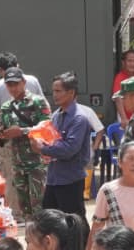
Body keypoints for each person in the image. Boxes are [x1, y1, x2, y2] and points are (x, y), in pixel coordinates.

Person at [31, 72, 94, 219]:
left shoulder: (79, 118)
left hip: (70, 179)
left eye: (58, 91)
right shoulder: (56, 115)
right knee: (50, 221)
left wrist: (42, 148)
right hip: (54, 178)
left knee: (74, 223)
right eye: (54, 91)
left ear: (71, 92)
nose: (54, 95)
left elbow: (69, 149)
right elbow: (52, 140)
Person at [0, 68, 52, 221]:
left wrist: (22, 131)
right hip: (17, 163)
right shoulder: (6, 107)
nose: (13, 88)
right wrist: (2, 135)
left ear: (24, 82)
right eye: (9, 85)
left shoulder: (37, 102)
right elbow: (2, 131)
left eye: (16, 84)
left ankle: (42, 232)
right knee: (24, 207)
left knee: (39, 204)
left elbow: (47, 127)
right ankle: (30, 232)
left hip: (37, 162)